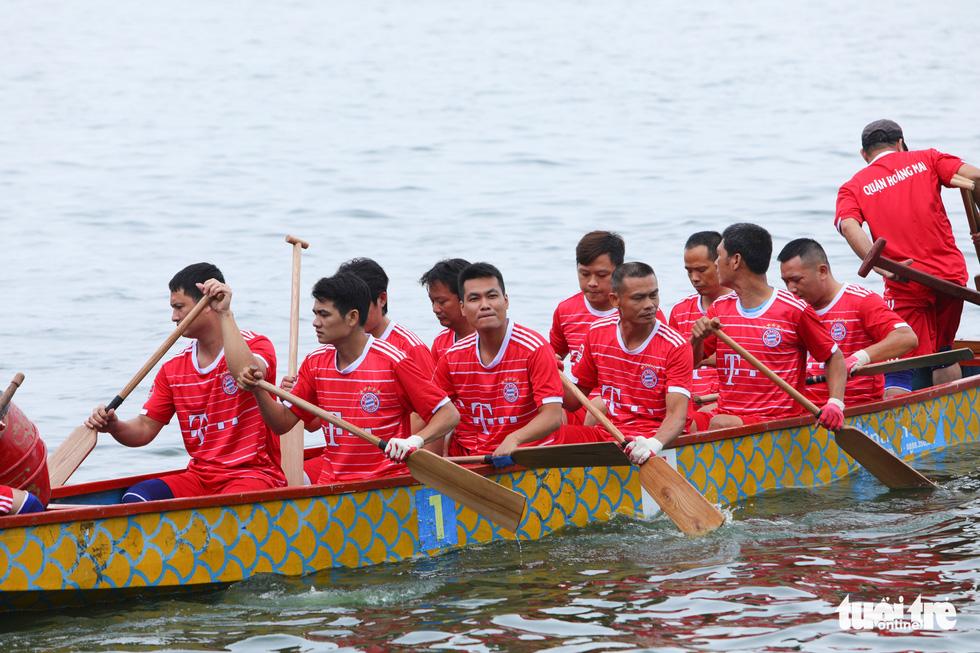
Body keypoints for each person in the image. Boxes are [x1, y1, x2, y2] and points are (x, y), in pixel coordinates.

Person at [85, 263, 286, 503]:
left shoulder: (256, 345)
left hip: (254, 475)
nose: (174, 317)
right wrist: (114, 426)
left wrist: (225, 313)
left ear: (208, 305)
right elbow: (146, 428)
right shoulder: (173, 369)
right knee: (136, 496)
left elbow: (246, 374)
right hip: (199, 477)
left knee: (226, 506)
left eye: (179, 307)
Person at [238, 273, 459, 483]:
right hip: (331, 483)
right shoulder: (315, 363)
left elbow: (448, 414)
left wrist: (414, 441)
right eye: (315, 313)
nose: (315, 322)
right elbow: (282, 424)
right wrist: (259, 389)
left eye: (324, 314)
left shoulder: (393, 361)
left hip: (385, 484)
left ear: (353, 317)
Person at [836, 119, 980, 388]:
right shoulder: (927, 158)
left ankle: (903, 429)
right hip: (951, 278)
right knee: (944, 353)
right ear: (900, 143)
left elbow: (848, 226)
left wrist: (878, 265)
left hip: (906, 280)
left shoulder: (853, 186)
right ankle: (949, 423)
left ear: (864, 154)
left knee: (900, 363)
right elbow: (975, 177)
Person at [690, 224, 847, 431]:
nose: (716, 263)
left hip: (776, 419)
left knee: (719, 424)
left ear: (735, 260)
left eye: (719, 256)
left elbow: (834, 357)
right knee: (687, 422)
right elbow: (691, 363)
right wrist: (697, 338)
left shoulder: (793, 310)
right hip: (728, 412)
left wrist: (835, 403)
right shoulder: (720, 309)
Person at [563, 262, 693, 464]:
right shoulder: (597, 333)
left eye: (653, 295)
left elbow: (677, 416)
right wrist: (548, 374)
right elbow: (571, 402)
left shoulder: (676, 346)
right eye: (639, 298)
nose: (650, 304)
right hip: (610, 434)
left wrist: (654, 444)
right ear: (615, 300)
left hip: (654, 437)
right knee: (552, 437)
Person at [434, 262, 566, 457]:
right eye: (474, 299)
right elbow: (432, 411)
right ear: (463, 308)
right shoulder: (452, 356)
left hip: (530, 455)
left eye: (492, 296)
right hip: (477, 457)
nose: (485, 305)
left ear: (506, 301)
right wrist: (419, 444)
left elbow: (553, 416)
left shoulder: (534, 348)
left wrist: (514, 439)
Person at [777, 238, 917, 403]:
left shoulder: (861, 301)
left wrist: (858, 359)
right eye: (786, 282)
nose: (790, 289)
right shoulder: (791, 309)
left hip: (854, 403)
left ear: (822, 271)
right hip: (803, 405)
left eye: (796, 280)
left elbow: (906, 338)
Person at [336, 257, 435, 378]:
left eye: (360, 306)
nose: (353, 315)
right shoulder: (336, 344)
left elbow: (432, 395)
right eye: (345, 306)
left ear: (382, 299)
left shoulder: (411, 349)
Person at [668, 231, 731, 408]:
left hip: (723, 401)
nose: (694, 278)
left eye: (701, 270)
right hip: (685, 399)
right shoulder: (679, 311)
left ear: (720, 263)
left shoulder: (740, 307)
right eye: (689, 271)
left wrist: (704, 360)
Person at [419, 258, 474, 365]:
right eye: (432, 301)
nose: (435, 309)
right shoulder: (440, 343)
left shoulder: (489, 340)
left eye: (441, 301)